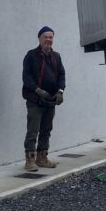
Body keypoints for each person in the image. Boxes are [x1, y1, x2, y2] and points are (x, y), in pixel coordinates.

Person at [21, 26, 65, 172]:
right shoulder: (31, 55)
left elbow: (61, 75)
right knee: (33, 130)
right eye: (45, 37)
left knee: (46, 129)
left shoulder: (56, 56)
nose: (48, 40)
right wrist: (38, 90)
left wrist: (60, 91)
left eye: (50, 37)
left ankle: (42, 157)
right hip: (35, 100)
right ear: (39, 38)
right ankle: (30, 160)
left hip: (50, 100)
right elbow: (26, 77)